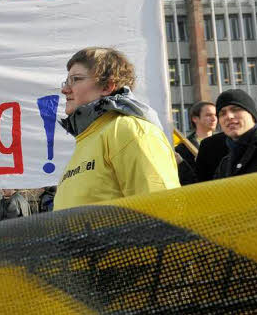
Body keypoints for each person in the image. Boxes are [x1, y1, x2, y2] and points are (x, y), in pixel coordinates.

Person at [54, 47, 179, 210]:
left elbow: (163, 208)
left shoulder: (129, 130)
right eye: (66, 82)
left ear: (107, 87)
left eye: (76, 79)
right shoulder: (87, 139)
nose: (65, 90)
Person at [175, 101, 217, 185]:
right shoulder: (183, 148)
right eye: (208, 115)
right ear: (195, 118)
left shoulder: (225, 142)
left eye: (215, 115)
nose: (214, 119)